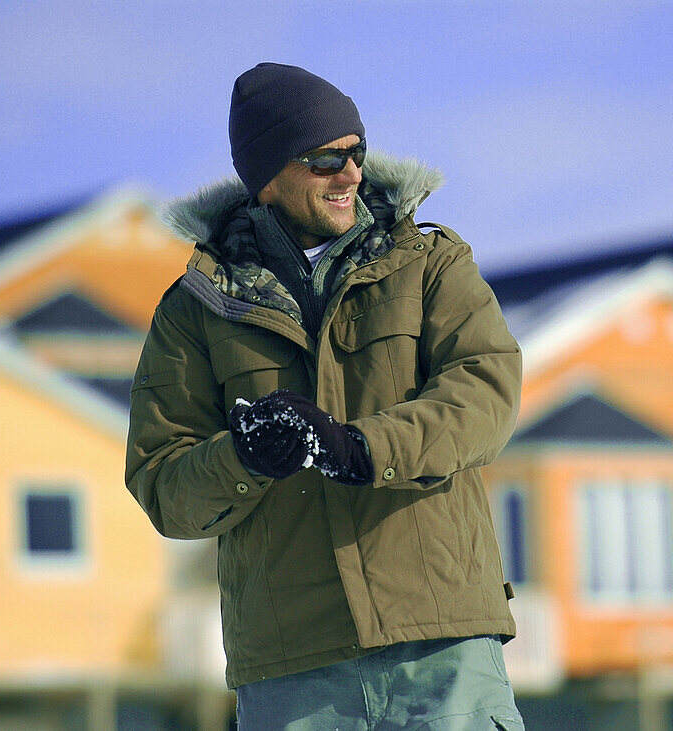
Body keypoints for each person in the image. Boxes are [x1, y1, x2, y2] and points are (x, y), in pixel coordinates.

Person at [126, 63, 524, 730]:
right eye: (323, 159)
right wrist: (243, 458)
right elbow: (162, 481)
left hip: (442, 650)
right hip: (293, 677)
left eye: (356, 153)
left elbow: (485, 392)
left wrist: (361, 449)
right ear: (268, 177)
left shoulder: (433, 265)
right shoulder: (193, 312)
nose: (350, 174)